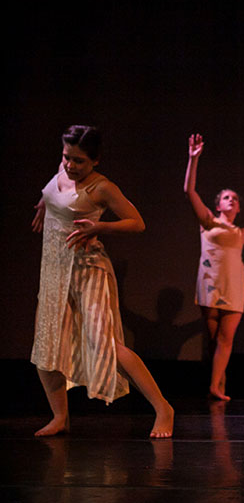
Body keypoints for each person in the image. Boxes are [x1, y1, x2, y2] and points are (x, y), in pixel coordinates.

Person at [31, 125, 174, 438]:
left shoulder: (101, 187)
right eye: (67, 157)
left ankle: (163, 408)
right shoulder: (63, 170)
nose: (71, 165)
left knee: (107, 345)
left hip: (88, 269)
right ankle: (60, 417)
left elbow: (137, 223)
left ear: (95, 160)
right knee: (45, 346)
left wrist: (99, 228)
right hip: (54, 270)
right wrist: (45, 204)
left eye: (79, 161)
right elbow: (55, 189)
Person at [183, 133, 244, 400]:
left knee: (226, 340)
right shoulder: (208, 222)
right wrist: (194, 159)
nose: (231, 200)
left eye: (235, 199)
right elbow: (189, 191)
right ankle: (219, 382)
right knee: (216, 340)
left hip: (234, 286)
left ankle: (214, 387)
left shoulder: (241, 233)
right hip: (210, 284)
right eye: (227, 197)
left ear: (238, 208)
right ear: (218, 205)